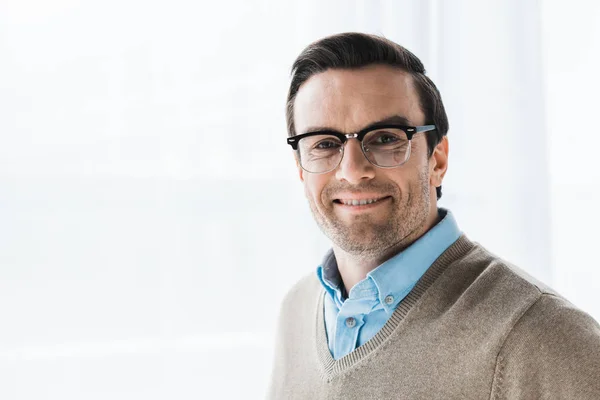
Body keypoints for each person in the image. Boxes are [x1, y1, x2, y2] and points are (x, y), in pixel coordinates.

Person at [267, 32, 600, 399]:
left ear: (437, 159)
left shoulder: (544, 339)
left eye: (385, 138)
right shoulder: (296, 312)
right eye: (325, 144)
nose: (352, 170)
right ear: (300, 168)